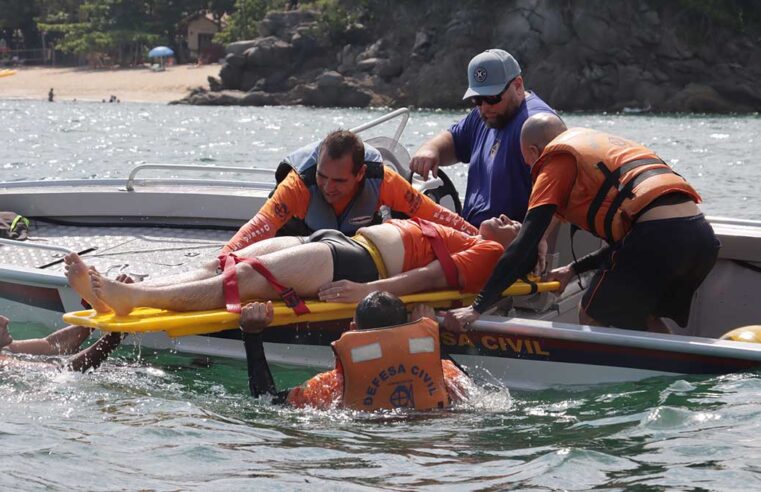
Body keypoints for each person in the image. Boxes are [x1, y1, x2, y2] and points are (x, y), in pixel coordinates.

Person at [444, 113, 720, 334]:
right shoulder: (601, 146)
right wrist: (573, 269)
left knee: (591, 311)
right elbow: (631, 242)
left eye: (527, 162)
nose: (531, 170)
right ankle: (674, 377)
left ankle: (611, 392)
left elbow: (525, 240)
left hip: (660, 238)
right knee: (639, 314)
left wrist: (477, 308)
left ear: (533, 150)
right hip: (701, 239)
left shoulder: (555, 160)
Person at [63, 215, 522, 316]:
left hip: (360, 263)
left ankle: (132, 300)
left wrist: (367, 292)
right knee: (224, 262)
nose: (505, 218)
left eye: (515, 224)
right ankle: (120, 290)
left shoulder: (494, 255)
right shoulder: (469, 233)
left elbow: (431, 277)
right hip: (340, 242)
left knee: (243, 279)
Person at [222, 130, 477, 254]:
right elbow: (259, 227)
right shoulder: (298, 184)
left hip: (353, 248)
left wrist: (480, 241)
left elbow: (436, 215)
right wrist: (222, 264)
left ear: (360, 173)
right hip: (298, 245)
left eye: (339, 181)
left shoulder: (383, 180)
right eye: (323, 177)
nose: (328, 187)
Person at [240, 291, 472, 411]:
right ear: (407, 329)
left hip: (359, 438)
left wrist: (252, 335)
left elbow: (265, 400)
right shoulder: (444, 374)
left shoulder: (334, 387)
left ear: (352, 329)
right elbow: (479, 395)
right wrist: (429, 335)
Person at [409, 49, 558, 226]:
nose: (485, 107)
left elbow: (556, 196)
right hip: (470, 234)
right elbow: (453, 140)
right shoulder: (486, 115)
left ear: (518, 86)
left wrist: (526, 244)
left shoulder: (537, 126)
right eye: (477, 99)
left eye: (492, 98)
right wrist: (430, 149)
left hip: (503, 242)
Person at [0, 315, 123, 372]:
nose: (5, 320)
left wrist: (102, 311)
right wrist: (115, 335)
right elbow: (63, 371)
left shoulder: (7, 348)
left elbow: (51, 345)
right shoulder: (3, 364)